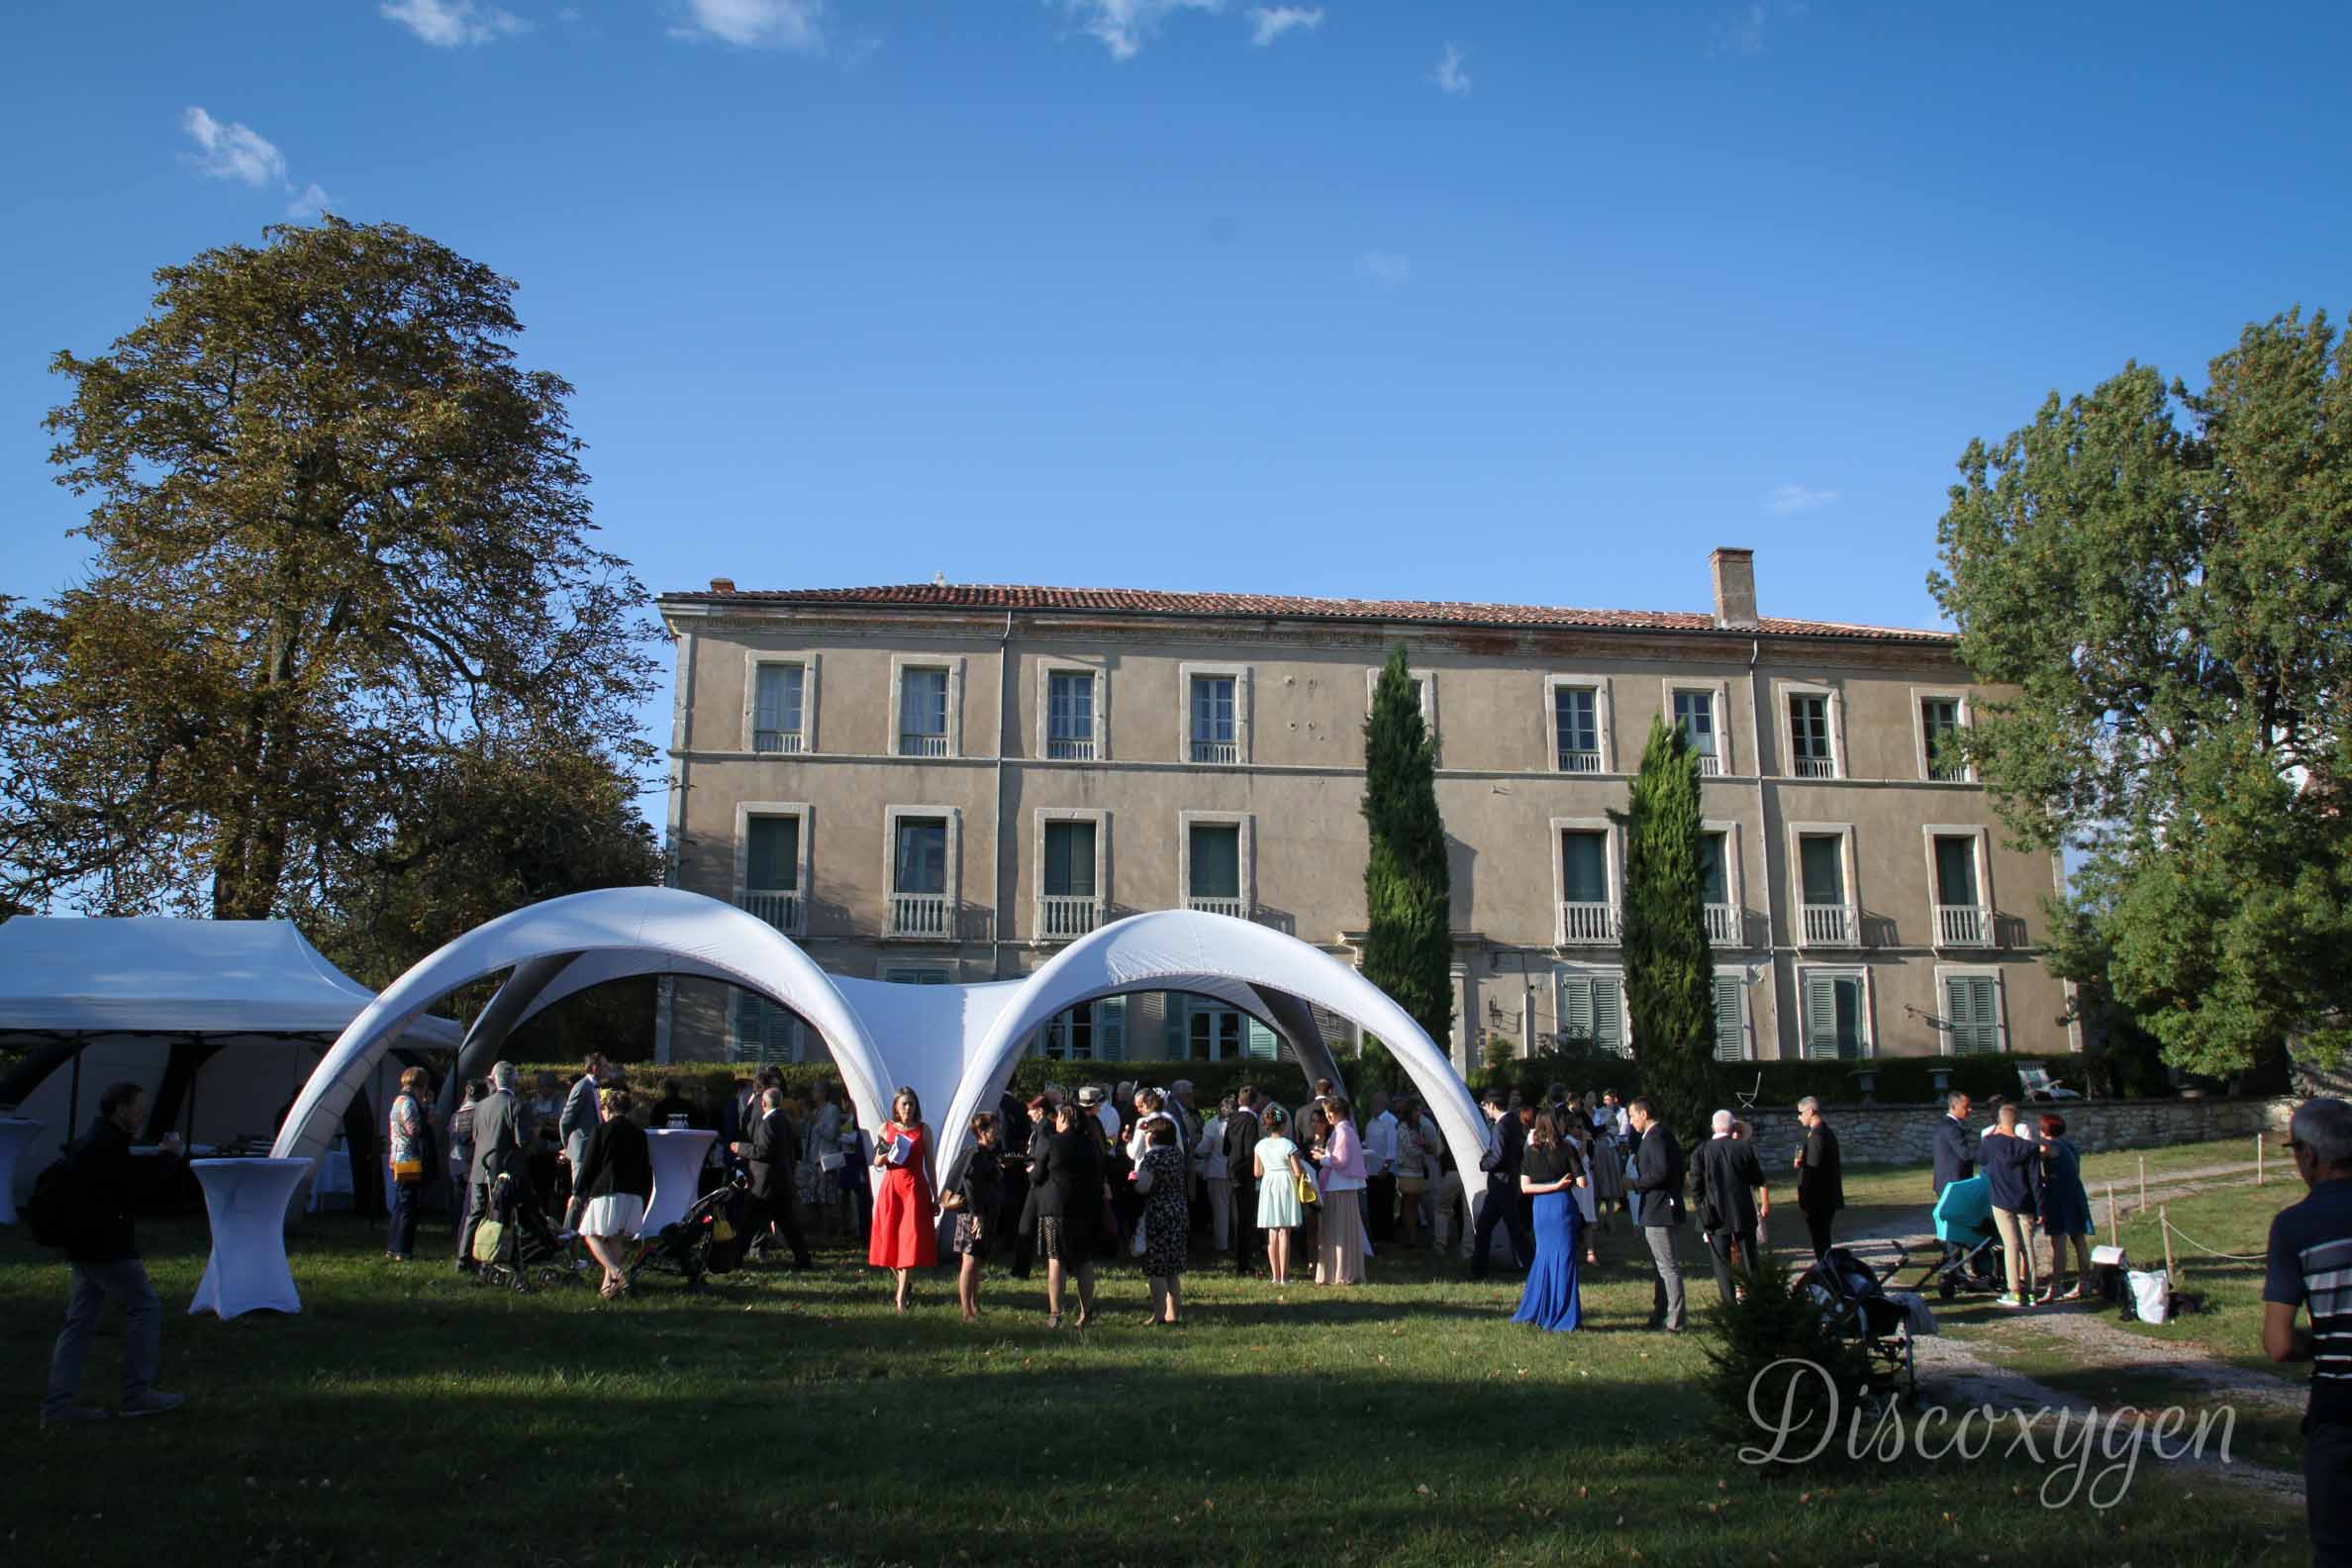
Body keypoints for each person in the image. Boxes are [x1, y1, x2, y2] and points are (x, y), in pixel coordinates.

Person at [40, 1081, 187, 1426]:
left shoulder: (96, 1141)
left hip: (84, 1245)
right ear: (120, 1109)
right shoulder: (105, 1146)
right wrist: (167, 1156)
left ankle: (58, 1406)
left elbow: (125, 1176)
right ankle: (136, 1393)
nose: (143, 1113)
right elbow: (135, 1186)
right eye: (138, 1107)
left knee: (80, 1322)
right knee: (145, 1307)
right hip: (105, 1246)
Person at [2262, 1097, 2352, 1567]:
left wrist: (2328, 1341)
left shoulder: (2295, 1226)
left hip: (2340, 1407)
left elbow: (2278, 1345)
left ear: (2310, 1155)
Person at [572, 1082, 652, 1300]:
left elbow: (589, 1165)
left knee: (590, 1234)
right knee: (616, 1239)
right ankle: (607, 1290)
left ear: (607, 1109)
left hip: (607, 1189)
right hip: (633, 1192)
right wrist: (645, 1197)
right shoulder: (639, 1134)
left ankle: (617, 1273)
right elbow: (646, 1168)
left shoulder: (601, 1130)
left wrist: (577, 1192)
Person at [1031, 1099, 1104, 1327]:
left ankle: (1056, 1314)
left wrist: (1029, 1172)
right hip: (1084, 1208)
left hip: (1055, 1208)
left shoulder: (1052, 1143)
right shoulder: (1090, 1144)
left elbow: (1037, 1175)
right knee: (1084, 1262)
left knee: (1056, 1260)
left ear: (1064, 1119)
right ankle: (1086, 1313)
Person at [1512, 1112, 1585, 1332]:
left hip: (1541, 1208)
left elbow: (1525, 1187)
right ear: (1557, 1124)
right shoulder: (1566, 1148)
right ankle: (1564, 1314)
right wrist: (1559, 1185)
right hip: (1561, 1205)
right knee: (1564, 1260)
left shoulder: (1530, 1151)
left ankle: (1539, 1308)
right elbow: (1583, 1183)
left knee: (1543, 1257)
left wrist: (1548, 1187)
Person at [869, 1086, 939, 1311]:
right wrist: (886, 1151)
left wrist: (935, 1195)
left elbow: (930, 1163)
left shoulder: (923, 1130)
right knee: (890, 1241)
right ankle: (905, 1284)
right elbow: (877, 1162)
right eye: (904, 1104)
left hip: (914, 1189)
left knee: (909, 1241)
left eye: (911, 1104)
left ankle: (900, 1297)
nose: (908, 1108)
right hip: (892, 1188)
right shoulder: (886, 1128)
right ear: (896, 1107)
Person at [1692, 1109, 1768, 1305]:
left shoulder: (1701, 1151)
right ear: (1733, 1126)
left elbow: (1696, 1188)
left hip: (1714, 1215)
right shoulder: (1743, 1148)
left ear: (1712, 1128)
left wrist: (1702, 1212)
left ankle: (1729, 1304)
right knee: (1750, 1260)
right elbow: (1757, 1178)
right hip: (1742, 1211)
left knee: (1722, 1263)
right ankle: (1756, 1300)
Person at [1626, 1097, 1687, 1332]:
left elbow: (1661, 1171)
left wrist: (1635, 1184)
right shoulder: (1659, 1135)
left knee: (1667, 1268)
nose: (1631, 1122)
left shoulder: (1656, 1137)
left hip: (1659, 1209)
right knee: (1662, 1267)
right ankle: (1661, 1313)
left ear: (1643, 1114)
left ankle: (1676, 1321)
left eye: (1632, 1116)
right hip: (1660, 1207)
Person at [737, 1086, 813, 1269]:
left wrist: (741, 1148)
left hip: (765, 1183)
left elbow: (763, 1150)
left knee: (747, 1223)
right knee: (788, 1225)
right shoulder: (785, 1119)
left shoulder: (770, 1122)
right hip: (780, 1181)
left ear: (763, 1102)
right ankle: (803, 1260)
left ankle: (734, 1258)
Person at [459, 1061, 522, 1270]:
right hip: (502, 1170)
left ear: (494, 1080)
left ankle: (464, 1258)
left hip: (479, 1167)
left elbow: (475, 1136)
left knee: (475, 1214)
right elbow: (521, 1140)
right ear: (513, 1080)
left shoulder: (481, 1104)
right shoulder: (514, 1105)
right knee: (500, 1216)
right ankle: (495, 1256)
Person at [945, 1111, 1004, 1323]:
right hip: (970, 1215)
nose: (996, 1131)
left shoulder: (991, 1153)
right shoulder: (975, 1155)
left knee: (977, 1262)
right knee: (968, 1262)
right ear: (981, 1131)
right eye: (992, 1127)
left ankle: (975, 1306)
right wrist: (976, 1214)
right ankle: (965, 1311)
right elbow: (970, 1186)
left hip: (985, 1212)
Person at [1470, 1089, 1535, 1279]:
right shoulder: (1513, 1121)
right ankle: (1479, 1269)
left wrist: (1484, 1163)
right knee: (1491, 1228)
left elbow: (1497, 1155)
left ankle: (1480, 1270)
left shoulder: (1500, 1126)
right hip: (1508, 1183)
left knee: (1507, 1229)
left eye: (1486, 1106)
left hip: (1501, 1184)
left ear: (1492, 1105)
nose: (1486, 1110)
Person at [1981, 1103, 2041, 1309]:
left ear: (1999, 1121)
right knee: (2028, 1245)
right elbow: (2035, 1179)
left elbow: (1983, 1164)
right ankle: (2032, 1292)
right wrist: (2040, 1207)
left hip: (2001, 1199)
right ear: (2017, 1123)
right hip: (2024, 1200)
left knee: (2010, 1245)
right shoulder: (2030, 1148)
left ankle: (2014, 1290)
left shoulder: (1989, 1143)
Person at [1136, 1119, 1190, 1324]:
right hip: (1178, 1212)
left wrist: (1133, 1180)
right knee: (1172, 1270)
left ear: (1154, 1136)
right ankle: (1173, 1314)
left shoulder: (1153, 1157)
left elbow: (1143, 1186)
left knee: (1157, 1268)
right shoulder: (1177, 1155)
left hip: (1158, 1213)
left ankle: (1158, 1314)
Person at [2034, 1113, 2093, 1303]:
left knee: (2058, 1241)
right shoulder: (2070, 1145)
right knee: (2079, 1238)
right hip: (2076, 1191)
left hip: (2058, 1194)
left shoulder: (2048, 1146)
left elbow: (2034, 1161)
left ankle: (2056, 1285)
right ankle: (2085, 1281)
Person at [1252, 1105, 1309, 1286]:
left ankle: (1275, 1276)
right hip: (1285, 1182)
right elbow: (1298, 1172)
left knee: (1272, 1231)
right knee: (1285, 1230)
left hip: (1269, 1182)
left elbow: (1257, 1172)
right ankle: (1284, 1276)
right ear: (1284, 1125)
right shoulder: (1288, 1145)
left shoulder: (1260, 1145)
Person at [1317, 1095, 1369, 1286]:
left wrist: (1321, 1159)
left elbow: (1340, 1161)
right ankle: (1338, 1270)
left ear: (1338, 1112)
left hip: (1339, 1186)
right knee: (1341, 1229)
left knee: (1339, 1230)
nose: (1327, 1116)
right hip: (1340, 1185)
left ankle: (1340, 1271)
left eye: (1329, 1112)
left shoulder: (1343, 1132)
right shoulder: (1345, 1130)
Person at [385, 1065, 434, 1263]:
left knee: (400, 1204)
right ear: (420, 1085)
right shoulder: (410, 1104)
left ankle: (393, 1246)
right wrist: (427, 1117)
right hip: (409, 1159)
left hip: (397, 1157)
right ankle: (403, 1249)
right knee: (409, 1206)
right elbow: (415, 1130)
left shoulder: (397, 1101)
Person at [1792, 1095, 1844, 1259]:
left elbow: (1812, 1172)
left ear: (1811, 1111)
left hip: (1819, 1200)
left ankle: (1826, 1273)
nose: (1799, 1117)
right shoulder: (1825, 1132)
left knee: (1821, 1242)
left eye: (1800, 1113)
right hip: (1825, 1198)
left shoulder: (1817, 1135)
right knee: (1822, 1241)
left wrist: (1804, 1200)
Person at [1931, 1092, 1977, 1270]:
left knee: (1955, 1226)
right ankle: (1954, 1267)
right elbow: (1965, 1154)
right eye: (1966, 1107)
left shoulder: (1946, 1125)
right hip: (1952, 1183)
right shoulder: (1951, 1127)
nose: (1970, 1110)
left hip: (1948, 1181)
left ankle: (1955, 1266)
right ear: (1954, 1106)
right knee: (1954, 1227)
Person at [1227, 1085, 1264, 1276]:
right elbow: (1251, 1150)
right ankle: (1244, 1262)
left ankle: (1241, 1259)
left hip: (1232, 1170)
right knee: (1245, 1218)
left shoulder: (1232, 1118)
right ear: (1255, 1102)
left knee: (1239, 1217)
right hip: (1245, 1172)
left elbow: (1226, 1146)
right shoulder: (1251, 1121)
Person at [1393, 1096, 1431, 1249]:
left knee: (1414, 1204)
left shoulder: (1417, 1126)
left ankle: (1413, 1234)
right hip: (1407, 1170)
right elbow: (1409, 1148)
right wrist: (1423, 1148)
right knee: (1409, 1204)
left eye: (1420, 1109)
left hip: (1418, 1170)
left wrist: (1423, 1146)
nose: (1419, 1112)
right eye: (1417, 1109)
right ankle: (1411, 1238)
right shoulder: (1402, 1128)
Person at [1197, 1095, 1234, 1250]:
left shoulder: (1212, 1125)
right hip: (1236, 1171)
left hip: (1217, 1171)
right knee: (1236, 1210)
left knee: (1220, 1211)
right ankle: (1239, 1242)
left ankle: (1222, 1245)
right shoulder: (1240, 1123)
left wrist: (1194, 1149)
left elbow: (1204, 1149)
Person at [1363, 1091, 1399, 1242]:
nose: (1372, 1106)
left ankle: (1387, 1236)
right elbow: (1368, 1143)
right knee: (1374, 1205)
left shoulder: (1391, 1121)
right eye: (1371, 1103)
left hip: (1384, 1171)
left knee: (1385, 1204)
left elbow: (1392, 1147)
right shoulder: (1371, 1122)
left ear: (1383, 1104)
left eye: (1375, 1103)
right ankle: (1376, 1235)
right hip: (1371, 1170)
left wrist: (1385, 1167)